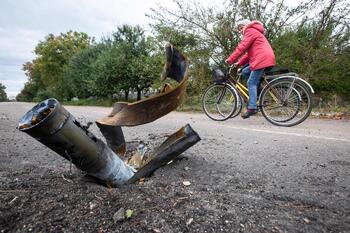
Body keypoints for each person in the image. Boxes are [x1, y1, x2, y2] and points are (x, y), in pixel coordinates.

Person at [225, 19, 275, 119]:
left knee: (251, 83)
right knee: (244, 71)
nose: (240, 31)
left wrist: (230, 59)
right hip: (265, 58)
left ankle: (252, 107)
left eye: (240, 28)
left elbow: (241, 47)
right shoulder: (255, 31)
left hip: (261, 59)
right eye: (238, 29)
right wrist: (238, 63)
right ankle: (260, 95)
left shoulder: (250, 30)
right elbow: (248, 54)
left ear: (245, 25)